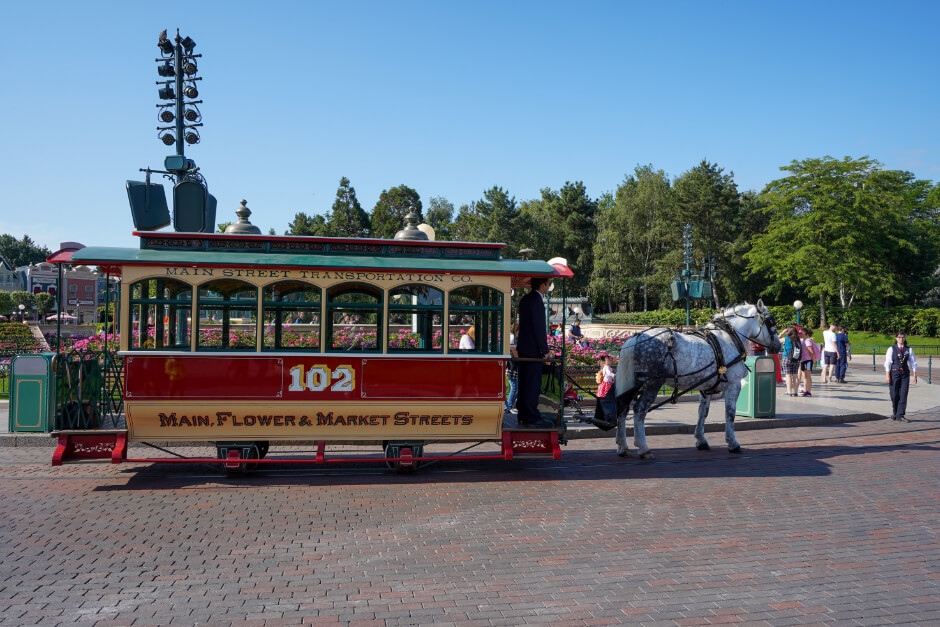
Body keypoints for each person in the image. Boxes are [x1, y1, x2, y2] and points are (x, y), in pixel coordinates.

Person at [516, 277, 553, 428]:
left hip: (524, 349)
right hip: (533, 351)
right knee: (532, 384)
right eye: (549, 284)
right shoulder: (536, 300)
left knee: (524, 383)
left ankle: (523, 414)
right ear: (543, 284)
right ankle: (532, 416)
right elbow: (539, 327)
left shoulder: (526, 298)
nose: (549, 287)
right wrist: (544, 350)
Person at [884, 332, 917, 422]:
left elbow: (913, 362)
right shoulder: (891, 349)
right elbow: (888, 363)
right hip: (894, 373)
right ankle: (895, 412)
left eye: (903, 337)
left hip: (905, 374)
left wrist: (915, 375)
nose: (901, 339)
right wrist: (887, 376)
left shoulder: (908, 349)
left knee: (903, 394)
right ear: (896, 338)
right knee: (894, 394)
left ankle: (900, 414)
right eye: (899, 337)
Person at [780, 326, 802, 397]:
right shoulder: (798, 339)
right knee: (795, 375)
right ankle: (796, 392)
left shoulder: (786, 339)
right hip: (795, 358)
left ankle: (789, 392)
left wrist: (782, 333)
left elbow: (776, 339)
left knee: (788, 375)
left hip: (787, 357)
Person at [504, 323, 519, 414]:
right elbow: (512, 349)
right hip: (512, 364)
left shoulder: (511, 336)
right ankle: (508, 406)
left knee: (514, 386)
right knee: (514, 386)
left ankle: (509, 406)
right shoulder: (513, 337)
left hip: (511, 364)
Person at [798, 328, 817, 397]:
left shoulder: (807, 341)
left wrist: (813, 359)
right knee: (804, 376)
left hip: (808, 360)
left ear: (804, 333)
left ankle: (808, 391)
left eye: (800, 333)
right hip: (803, 360)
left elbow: (811, 351)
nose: (799, 334)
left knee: (807, 376)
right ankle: (805, 390)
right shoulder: (803, 340)